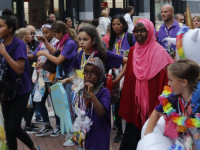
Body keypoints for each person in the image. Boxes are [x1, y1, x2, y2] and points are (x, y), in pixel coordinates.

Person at [61, 24, 128, 147]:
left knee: (98, 128)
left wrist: (117, 80)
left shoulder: (102, 54)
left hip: (100, 96)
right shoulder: (79, 55)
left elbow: (126, 62)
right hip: (83, 97)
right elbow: (79, 74)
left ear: (93, 40)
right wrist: (67, 80)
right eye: (79, 39)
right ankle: (80, 141)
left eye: (85, 39)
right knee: (83, 124)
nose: (81, 42)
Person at [119, 18, 174, 150]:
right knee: (131, 138)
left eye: (142, 31)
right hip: (136, 104)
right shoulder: (133, 51)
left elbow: (168, 82)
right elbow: (130, 79)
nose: (138, 34)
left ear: (150, 32)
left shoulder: (160, 53)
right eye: (136, 31)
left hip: (153, 103)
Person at [0, 8, 41, 150]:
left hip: (20, 90)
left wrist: (4, 53)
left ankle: (33, 148)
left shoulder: (19, 44)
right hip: (5, 90)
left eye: (1, 26)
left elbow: (19, 69)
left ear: (10, 28)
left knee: (14, 126)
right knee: (8, 128)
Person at [144, 59, 200, 149]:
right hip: (186, 139)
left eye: (171, 80)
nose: (168, 83)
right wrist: (146, 138)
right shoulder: (173, 98)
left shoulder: (198, 100)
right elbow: (156, 112)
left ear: (184, 82)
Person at [36, 21, 78, 136]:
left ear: (60, 32)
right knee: (66, 104)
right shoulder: (63, 41)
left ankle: (74, 133)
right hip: (65, 74)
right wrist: (45, 41)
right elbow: (54, 52)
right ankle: (72, 131)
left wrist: (44, 53)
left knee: (70, 105)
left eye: (54, 35)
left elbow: (58, 60)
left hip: (70, 74)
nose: (54, 38)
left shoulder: (70, 43)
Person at [28, 20, 59, 137]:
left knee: (56, 101)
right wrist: (22, 56)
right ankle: (47, 125)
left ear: (53, 32)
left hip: (53, 77)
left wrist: (45, 42)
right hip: (41, 78)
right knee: (39, 100)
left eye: (47, 32)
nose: (44, 35)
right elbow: (34, 55)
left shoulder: (57, 43)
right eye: (43, 32)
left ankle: (59, 126)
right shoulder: (41, 44)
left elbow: (54, 54)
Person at [73, 57, 111, 150]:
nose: (88, 76)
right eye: (86, 73)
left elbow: (101, 113)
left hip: (99, 136)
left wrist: (92, 94)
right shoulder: (82, 91)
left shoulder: (104, 92)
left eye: (93, 73)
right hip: (86, 135)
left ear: (100, 75)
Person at [109, 14, 135, 143]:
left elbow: (134, 57)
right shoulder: (112, 40)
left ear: (124, 24)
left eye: (118, 24)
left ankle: (131, 130)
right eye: (114, 24)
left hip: (129, 76)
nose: (116, 26)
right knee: (117, 105)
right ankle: (119, 131)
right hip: (115, 76)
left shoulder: (130, 37)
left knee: (130, 103)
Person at [14, 28, 40, 134]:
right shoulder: (22, 46)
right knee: (31, 101)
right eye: (30, 34)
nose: (32, 36)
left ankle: (26, 123)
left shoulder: (20, 45)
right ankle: (26, 125)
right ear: (24, 36)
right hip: (27, 78)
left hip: (27, 77)